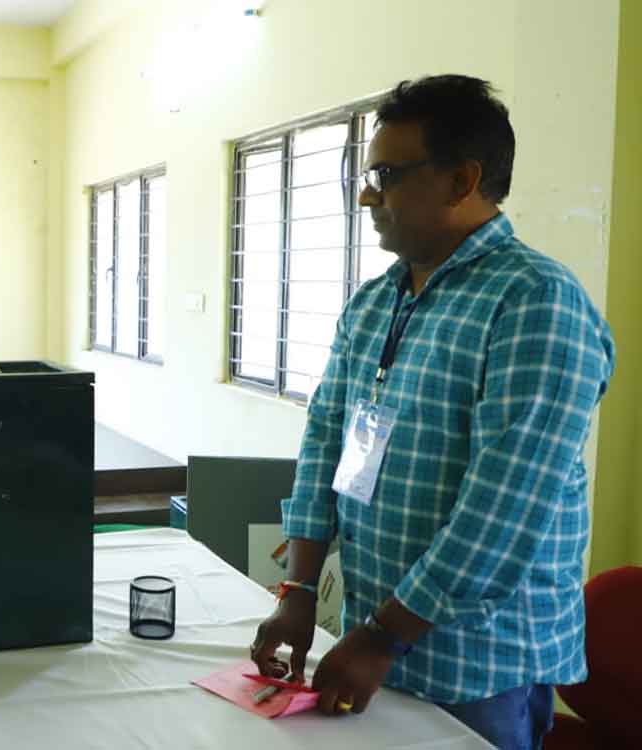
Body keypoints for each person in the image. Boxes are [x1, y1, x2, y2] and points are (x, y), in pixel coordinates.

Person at [249, 75, 614, 750]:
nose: (367, 195)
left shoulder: (536, 301)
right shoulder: (376, 301)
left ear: (461, 180)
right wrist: (297, 590)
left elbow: (502, 509)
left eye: (386, 175)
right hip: (372, 638)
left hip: (478, 664)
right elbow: (325, 440)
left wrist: (382, 636)